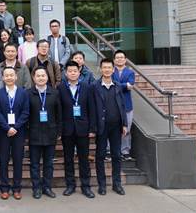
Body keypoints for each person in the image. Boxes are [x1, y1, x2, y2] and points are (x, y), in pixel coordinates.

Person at [58, 61, 96, 198]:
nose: (73, 73)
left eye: (75, 71)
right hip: (67, 129)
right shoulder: (61, 88)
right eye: (70, 71)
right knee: (68, 159)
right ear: (66, 73)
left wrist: (92, 128)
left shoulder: (87, 87)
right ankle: (70, 185)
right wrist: (60, 129)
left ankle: (86, 186)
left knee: (84, 159)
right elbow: (59, 111)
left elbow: (91, 108)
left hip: (83, 129)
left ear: (79, 72)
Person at [93, 58, 128, 196]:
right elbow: (91, 107)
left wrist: (124, 124)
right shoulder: (94, 86)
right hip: (101, 127)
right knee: (100, 156)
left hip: (116, 126)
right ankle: (102, 185)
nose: (107, 70)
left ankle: (117, 184)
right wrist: (92, 127)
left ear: (113, 70)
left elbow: (122, 106)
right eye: (104, 67)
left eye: (109, 68)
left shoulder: (118, 86)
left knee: (116, 155)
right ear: (100, 69)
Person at [0, 67, 29, 200]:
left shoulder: (23, 93)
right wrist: (7, 127)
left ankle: (17, 188)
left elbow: (26, 112)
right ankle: (4, 188)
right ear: (3, 78)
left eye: (11, 75)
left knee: (18, 160)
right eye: (6, 75)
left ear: (16, 77)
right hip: (4, 132)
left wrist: (16, 127)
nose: (9, 77)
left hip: (19, 132)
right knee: (3, 161)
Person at [28, 66, 62, 199]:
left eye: (43, 75)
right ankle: (36, 188)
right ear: (33, 78)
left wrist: (58, 131)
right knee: (34, 164)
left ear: (47, 77)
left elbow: (59, 114)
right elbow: (26, 115)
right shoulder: (28, 93)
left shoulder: (54, 93)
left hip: (50, 133)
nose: (41, 78)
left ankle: (47, 187)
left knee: (49, 164)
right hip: (34, 133)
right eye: (38, 76)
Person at [112, 50, 135, 161]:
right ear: (114, 60)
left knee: (127, 129)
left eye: (121, 57)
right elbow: (111, 84)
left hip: (127, 105)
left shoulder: (130, 72)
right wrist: (125, 86)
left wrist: (117, 85)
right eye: (117, 57)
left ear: (125, 60)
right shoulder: (111, 71)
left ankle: (125, 151)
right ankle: (111, 150)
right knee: (113, 129)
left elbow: (131, 85)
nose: (119, 59)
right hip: (113, 104)